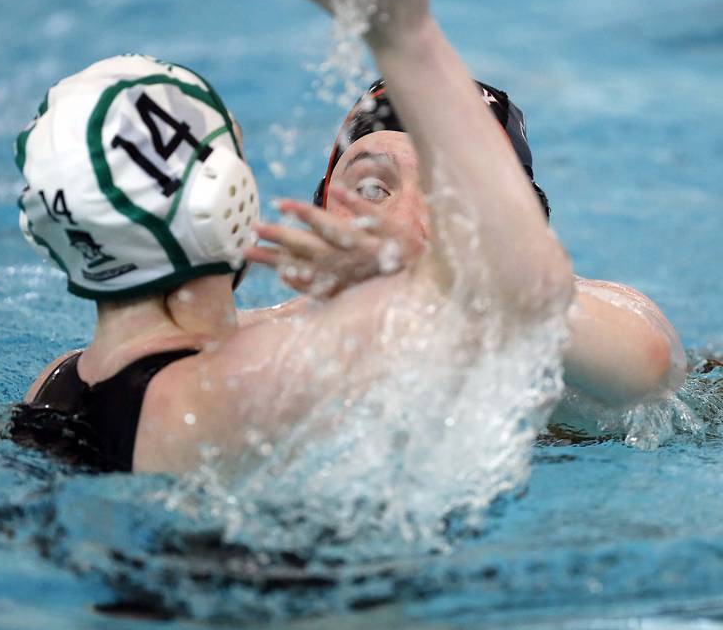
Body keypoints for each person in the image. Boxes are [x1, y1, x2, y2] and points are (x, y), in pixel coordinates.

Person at [12, 0, 578, 475]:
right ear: (223, 198)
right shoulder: (260, 377)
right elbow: (531, 289)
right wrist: (402, 29)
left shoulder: (56, 387)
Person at [243, 79, 686, 430]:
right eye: (371, 189)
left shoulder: (565, 326)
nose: (402, 223)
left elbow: (650, 369)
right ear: (321, 214)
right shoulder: (268, 342)